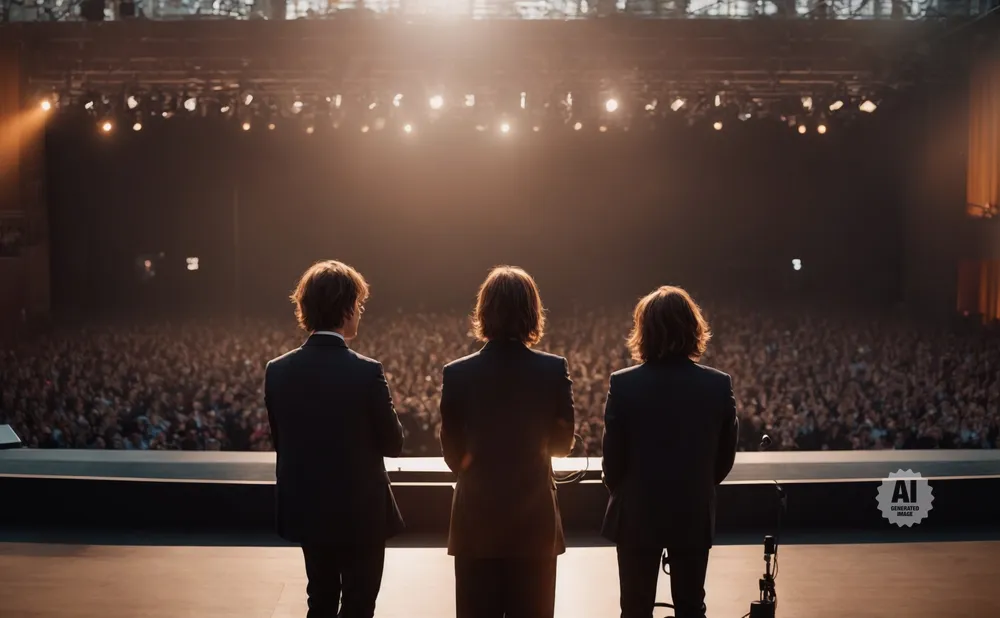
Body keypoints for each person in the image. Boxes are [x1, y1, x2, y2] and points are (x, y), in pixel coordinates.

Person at [265, 260, 405, 618]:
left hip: (308, 506)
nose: (359, 313)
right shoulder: (367, 371)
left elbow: (281, 440)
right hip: (361, 512)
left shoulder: (278, 370)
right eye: (358, 305)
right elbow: (393, 444)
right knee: (359, 603)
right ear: (345, 309)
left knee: (321, 599)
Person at [439, 266, 576, 618]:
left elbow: (453, 455)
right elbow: (562, 446)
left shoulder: (457, 373)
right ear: (532, 312)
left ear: (483, 312)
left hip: (475, 525)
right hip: (535, 527)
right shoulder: (552, 370)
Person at [601, 286, 739, 618]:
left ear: (643, 330)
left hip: (636, 512)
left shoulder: (623, 384)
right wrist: (698, 485)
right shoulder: (717, 385)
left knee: (634, 607)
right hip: (692, 509)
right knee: (691, 606)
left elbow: (612, 460)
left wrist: (627, 490)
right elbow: (723, 458)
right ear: (693, 328)